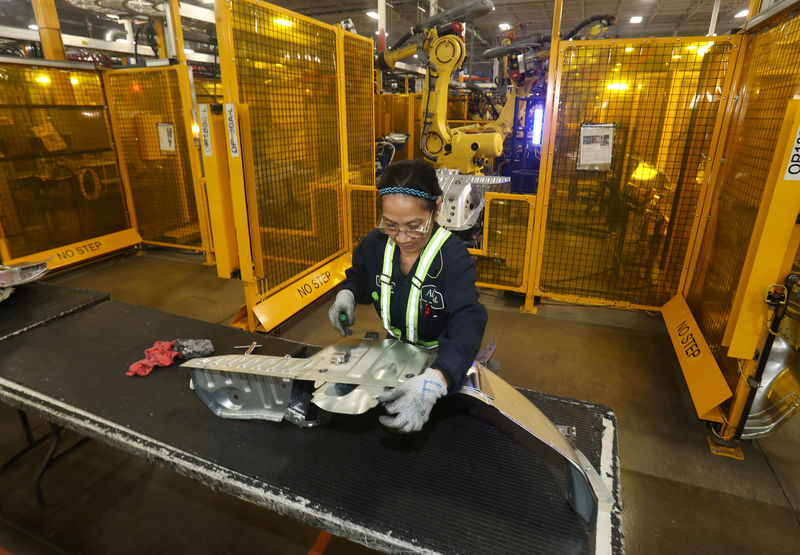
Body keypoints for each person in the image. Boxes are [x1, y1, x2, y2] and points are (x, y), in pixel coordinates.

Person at [328, 159, 488, 433]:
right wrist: (349, 292)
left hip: (441, 358)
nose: (401, 237)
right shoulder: (375, 244)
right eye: (390, 225)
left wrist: (437, 380)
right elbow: (361, 274)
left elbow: (467, 322)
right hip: (394, 352)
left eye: (415, 226)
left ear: (436, 210)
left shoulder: (454, 260)